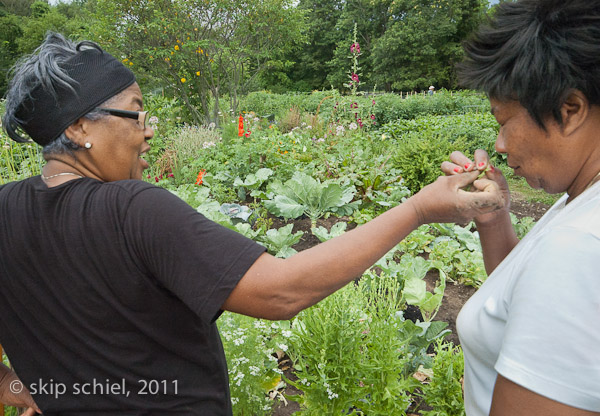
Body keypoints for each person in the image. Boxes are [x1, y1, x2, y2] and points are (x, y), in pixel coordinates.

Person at [0, 32, 504, 415]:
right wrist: (419, 209)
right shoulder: (132, 208)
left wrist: (24, 387)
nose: (148, 132)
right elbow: (280, 292)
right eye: (135, 115)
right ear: (77, 126)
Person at [441, 0, 600, 415]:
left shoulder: (580, 245)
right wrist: (494, 219)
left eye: (503, 121)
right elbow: (525, 297)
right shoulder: (580, 202)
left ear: (570, 111)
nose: (500, 145)